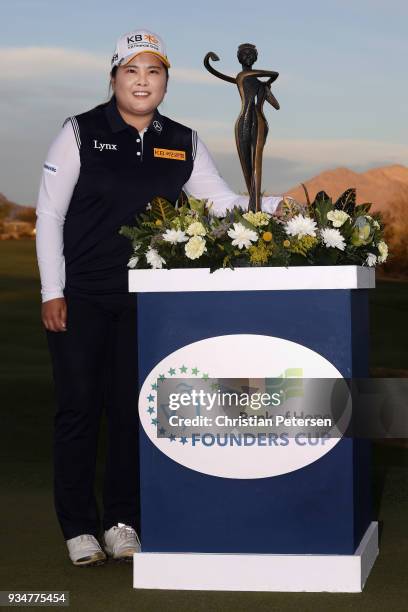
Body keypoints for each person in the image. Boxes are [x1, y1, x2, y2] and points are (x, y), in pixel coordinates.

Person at [35, 28, 285, 567]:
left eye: (153, 72)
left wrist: (273, 205)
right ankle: (78, 526)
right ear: (114, 78)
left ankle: (122, 522)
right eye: (132, 71)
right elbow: (50, 215)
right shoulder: (80, 132)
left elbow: (218, 203)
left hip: (150, 299)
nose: (142, 81)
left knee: (131, 411)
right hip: (81, 295)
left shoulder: (182, 139)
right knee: (79, 408)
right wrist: (52, 291)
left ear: (166, 82)